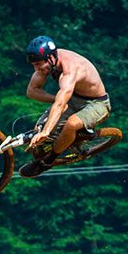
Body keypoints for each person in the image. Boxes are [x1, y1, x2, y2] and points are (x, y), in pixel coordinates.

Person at [19, 35, 111, 178]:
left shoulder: (70, 69)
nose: (36, 68)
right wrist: (45, 127)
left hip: (97, 103)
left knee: (71, 124)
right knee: (39, 130)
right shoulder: (48, 63)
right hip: (74, 99)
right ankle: (60, 142)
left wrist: (47, 131)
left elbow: (61, 103)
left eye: (38, 64)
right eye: (33, 65)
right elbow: (32, 91)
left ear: (50, 58)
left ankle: (47, 162)